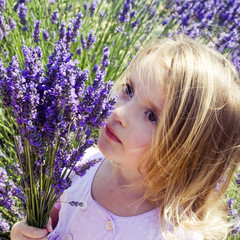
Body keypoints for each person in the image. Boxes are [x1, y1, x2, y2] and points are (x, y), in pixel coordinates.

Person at [10, 35, 240, 240]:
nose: (119, 113)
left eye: (151, 116)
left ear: (187, 152)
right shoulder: (79, 167)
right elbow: (52, 221)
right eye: (128, 90)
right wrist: (26, 232)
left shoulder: (173, 233)